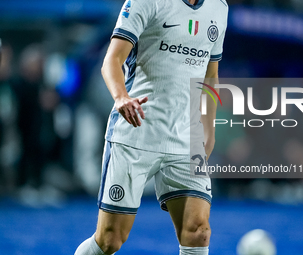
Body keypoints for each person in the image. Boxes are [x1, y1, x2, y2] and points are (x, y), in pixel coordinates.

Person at [75, 0, 228, 254]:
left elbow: (211, 76)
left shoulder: (218, 7)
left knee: (198, 231)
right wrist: (121, 96)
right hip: (136, 133)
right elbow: (111, 60)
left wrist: (209, 131)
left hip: (186, 138)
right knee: (110, 239)